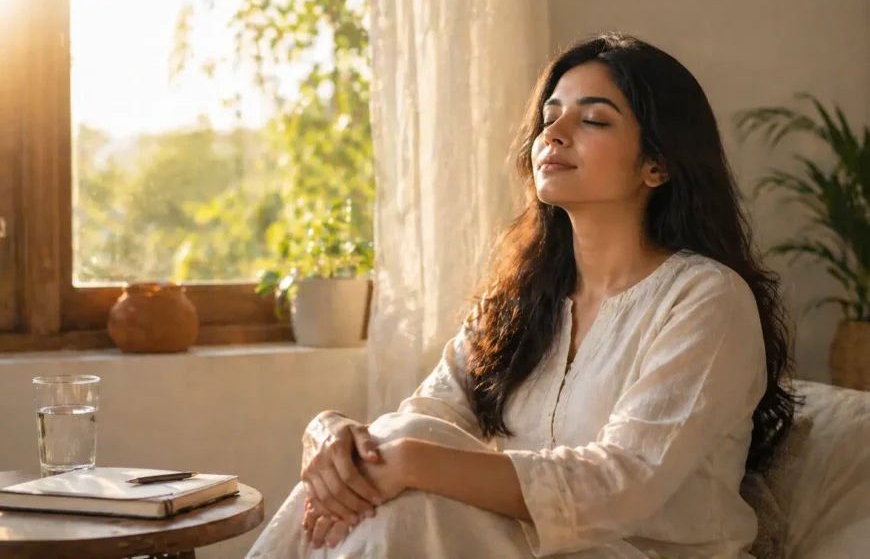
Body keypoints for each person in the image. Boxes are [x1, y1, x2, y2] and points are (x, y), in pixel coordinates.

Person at [247, 32, 796, 559]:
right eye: (549, 116)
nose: (553, 135)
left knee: (411, 499)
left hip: (644, 553)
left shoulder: (707, 299)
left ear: (658, 165)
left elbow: (622, 482)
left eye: (593, 119)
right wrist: (333, 433)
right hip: (519, 544)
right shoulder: (521, 296)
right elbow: (428, 417)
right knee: (390, 463)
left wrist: (411, 462)